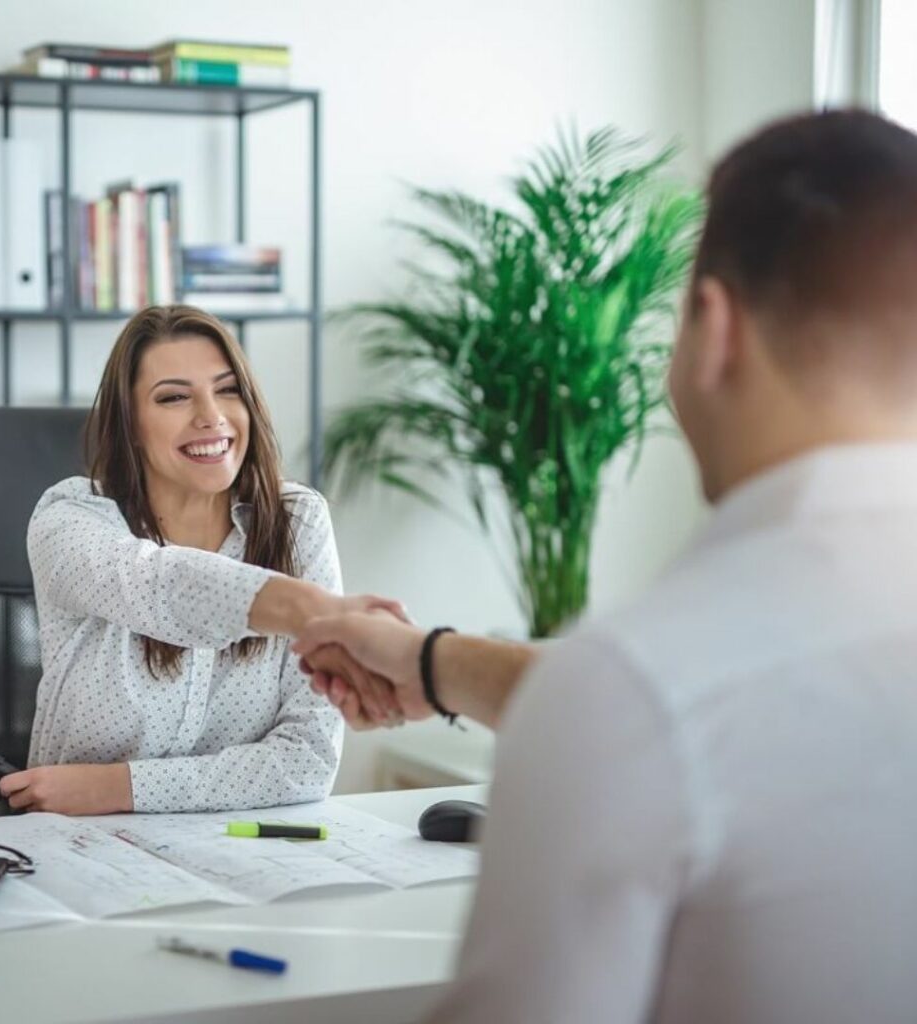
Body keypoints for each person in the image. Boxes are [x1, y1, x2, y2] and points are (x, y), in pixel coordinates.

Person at [294, 109, 917, 1023]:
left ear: (713, 328)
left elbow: (657, 708)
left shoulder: (640, 681)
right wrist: (431, 660)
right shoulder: (653, 685)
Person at [0, 305, 402, 816]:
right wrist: (309, 608)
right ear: (131, 423)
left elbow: (307, 760)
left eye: (228, 389)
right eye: (173, 397)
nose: (211, 416)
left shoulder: (297, 519)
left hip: (243, 851)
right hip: (81, 849)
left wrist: (117, 788)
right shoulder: (70, 519)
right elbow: (159, 585)